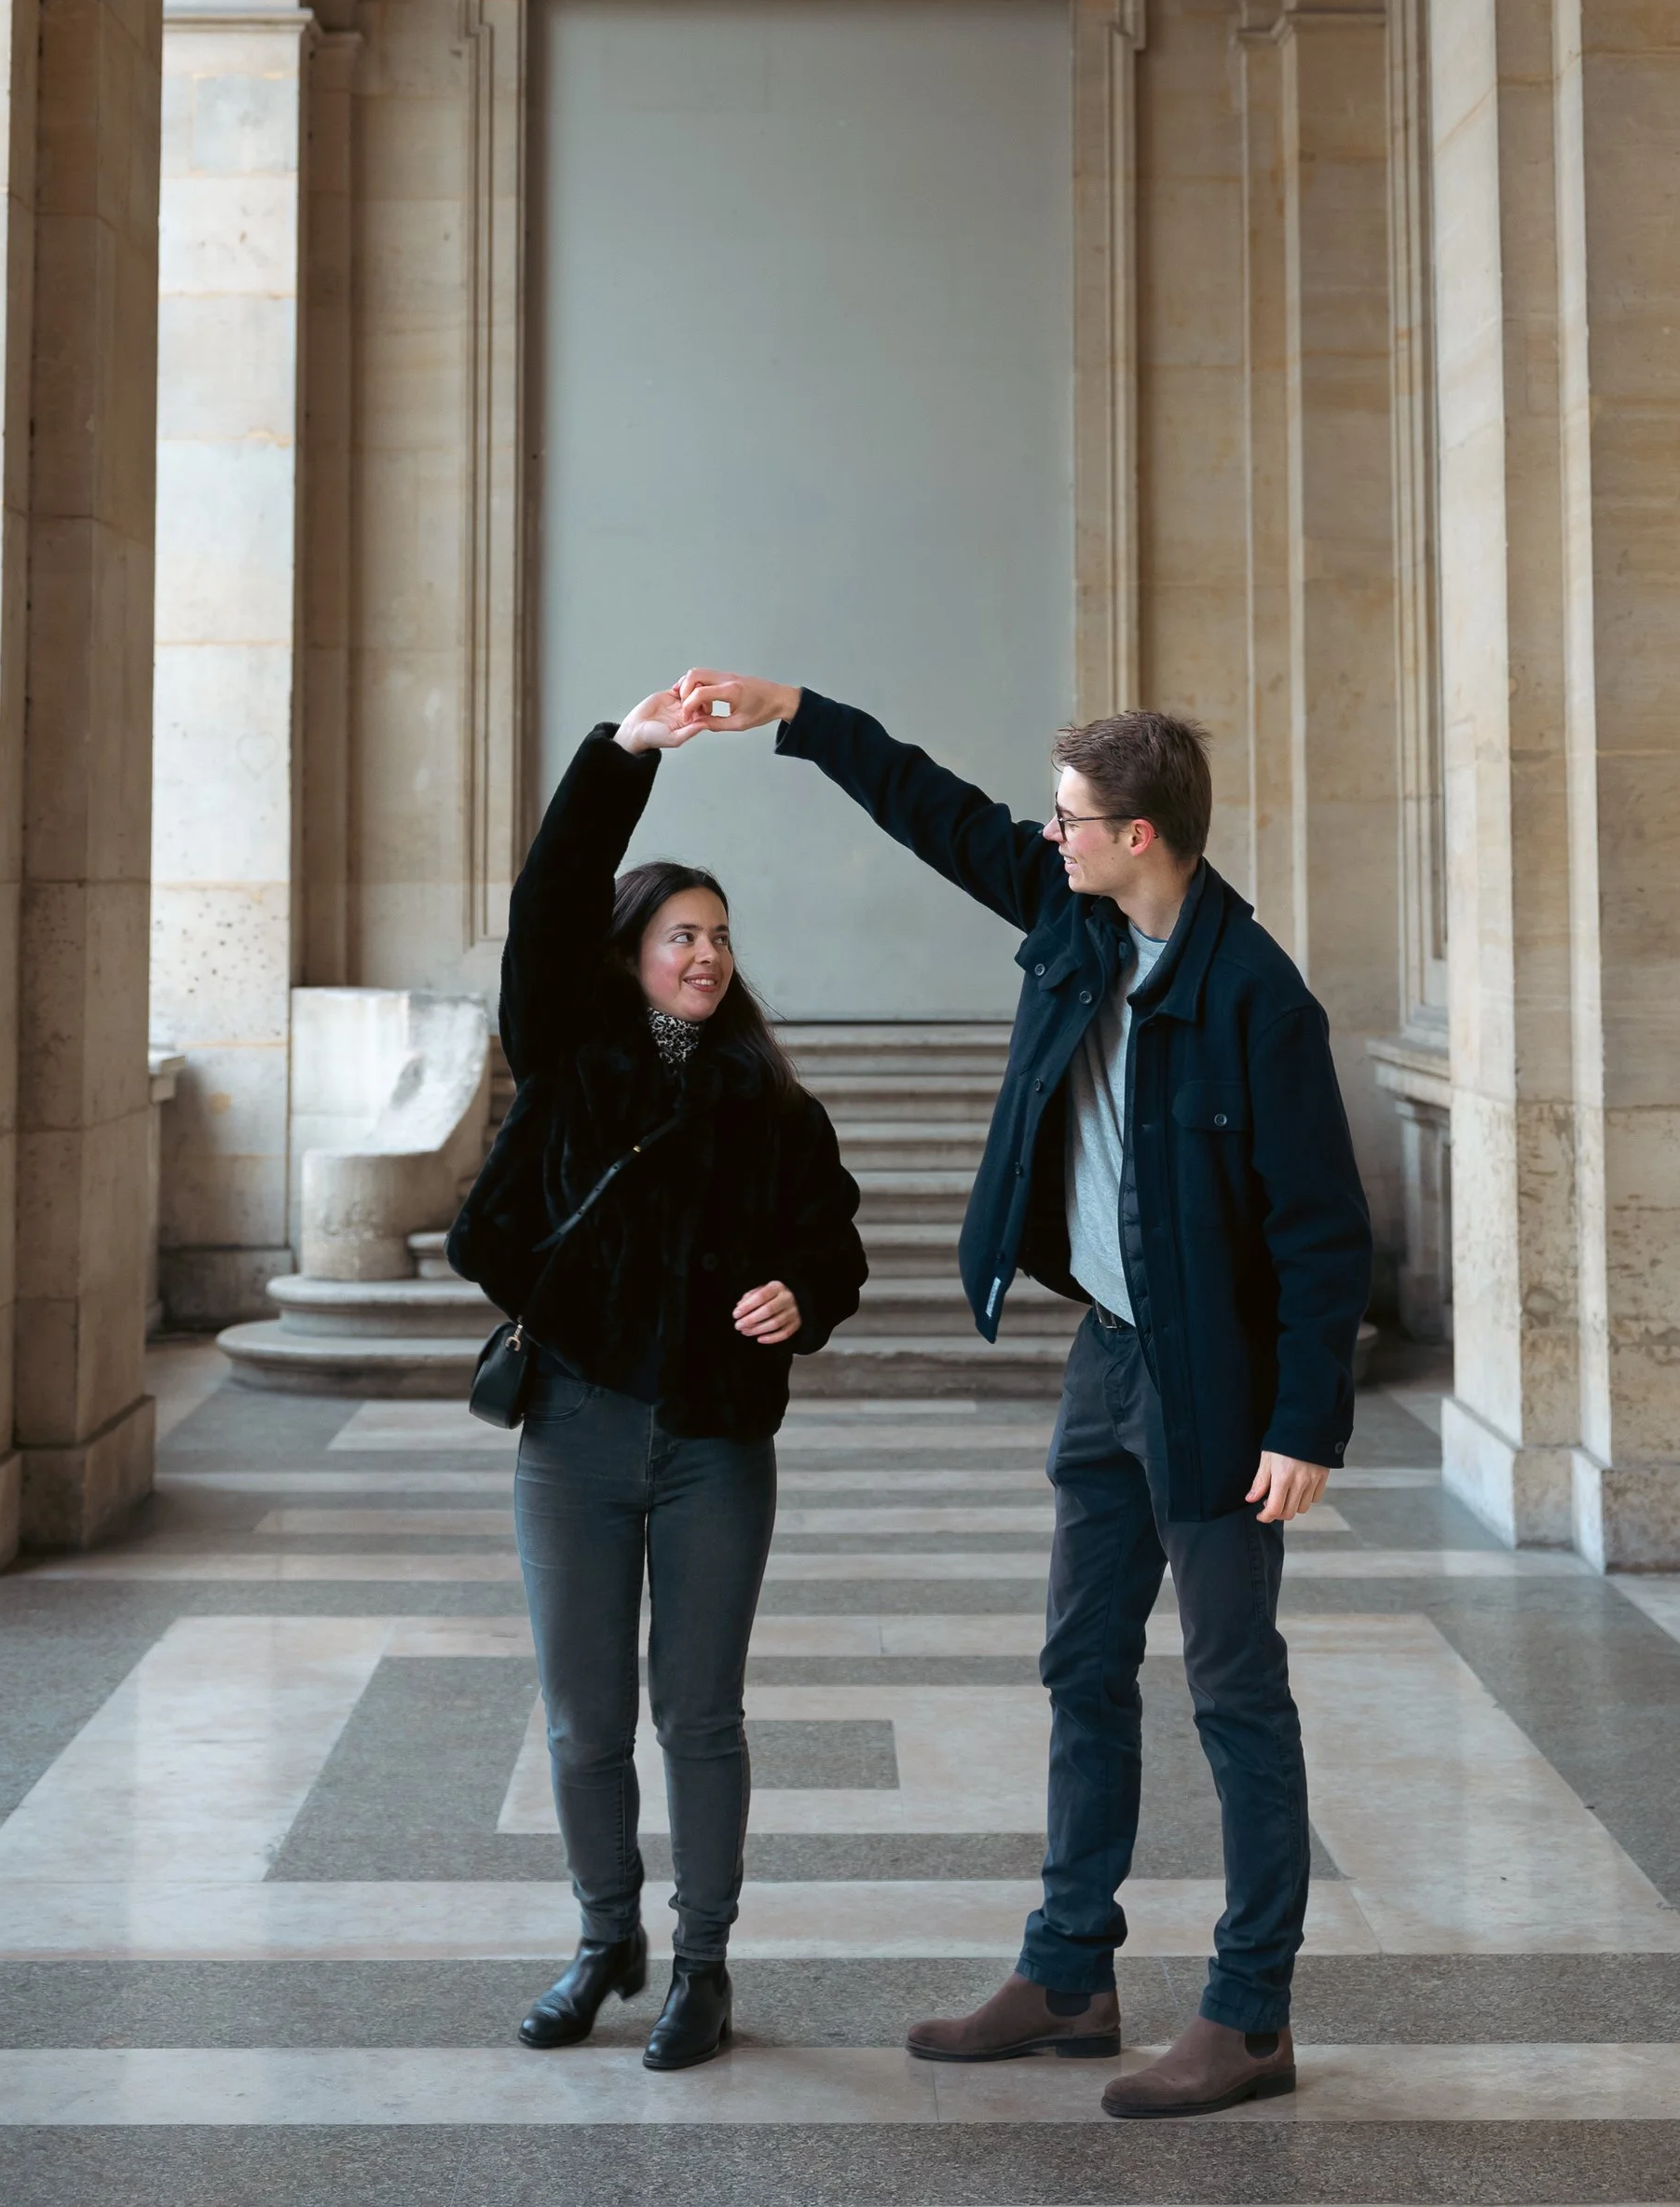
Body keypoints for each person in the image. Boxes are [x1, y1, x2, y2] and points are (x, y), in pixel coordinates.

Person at [682, 673, 1372, 2120]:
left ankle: (1250, 2013)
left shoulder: (1258, 999)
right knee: (1080, 1665)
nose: (1044, 836)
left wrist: (1307, 1422)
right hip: (1108, 1357)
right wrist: (798, 712)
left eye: (1069, 821)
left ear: (1139, 834)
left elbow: (1322, 1233)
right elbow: (935, 812)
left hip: (1217, 1388)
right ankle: (1070, 1975)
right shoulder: (1076, 918)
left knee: (1238, 1693)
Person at [447, 683, 867, 2072]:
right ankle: (601, 1935)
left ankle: (700, 1963)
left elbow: (836, 1248)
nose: (707, 954)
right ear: (629, 952)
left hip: (711, 1447)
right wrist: (623, 753)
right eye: (683, 933)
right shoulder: (574, 1065)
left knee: (698, 1713)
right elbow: (547, 901)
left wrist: (802, 1295)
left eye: (722, 936)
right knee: (581, 1719)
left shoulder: (772, 1106)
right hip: (571, 1431)